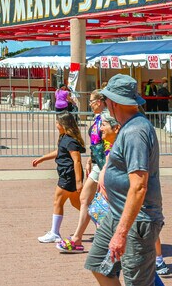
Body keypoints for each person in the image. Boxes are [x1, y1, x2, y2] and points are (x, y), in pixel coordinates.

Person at [85, 74, 164, 286]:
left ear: (113, 102)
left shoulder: (135, 131)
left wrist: (121, 233)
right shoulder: (128, 126)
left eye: (106, 100)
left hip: (138, 221)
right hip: (116, 213)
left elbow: (139, 186)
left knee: (136, 281)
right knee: (98, 265)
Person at [57, 100, 119, 253]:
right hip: (100, 163)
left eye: (91, 101)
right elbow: (97, 142)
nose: (89, 104)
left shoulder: (112, 121)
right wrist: (91, 159)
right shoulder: (99, 119)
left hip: (108, 165)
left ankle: (108, 236)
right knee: (86, 199)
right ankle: (79, 238)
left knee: (105, 203)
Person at [33, 112, 86, 243]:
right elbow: (59, 152)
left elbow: (77, 161)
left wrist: (79, 182)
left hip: (69, 176)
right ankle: (102, 223)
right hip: (67, 175)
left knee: (58, 202)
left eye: (57, 123)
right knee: (77, 203)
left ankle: (55, 233)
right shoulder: (64, 138)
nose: (56, 125)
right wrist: (42, 159)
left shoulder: (70, 141)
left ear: (63, 124)